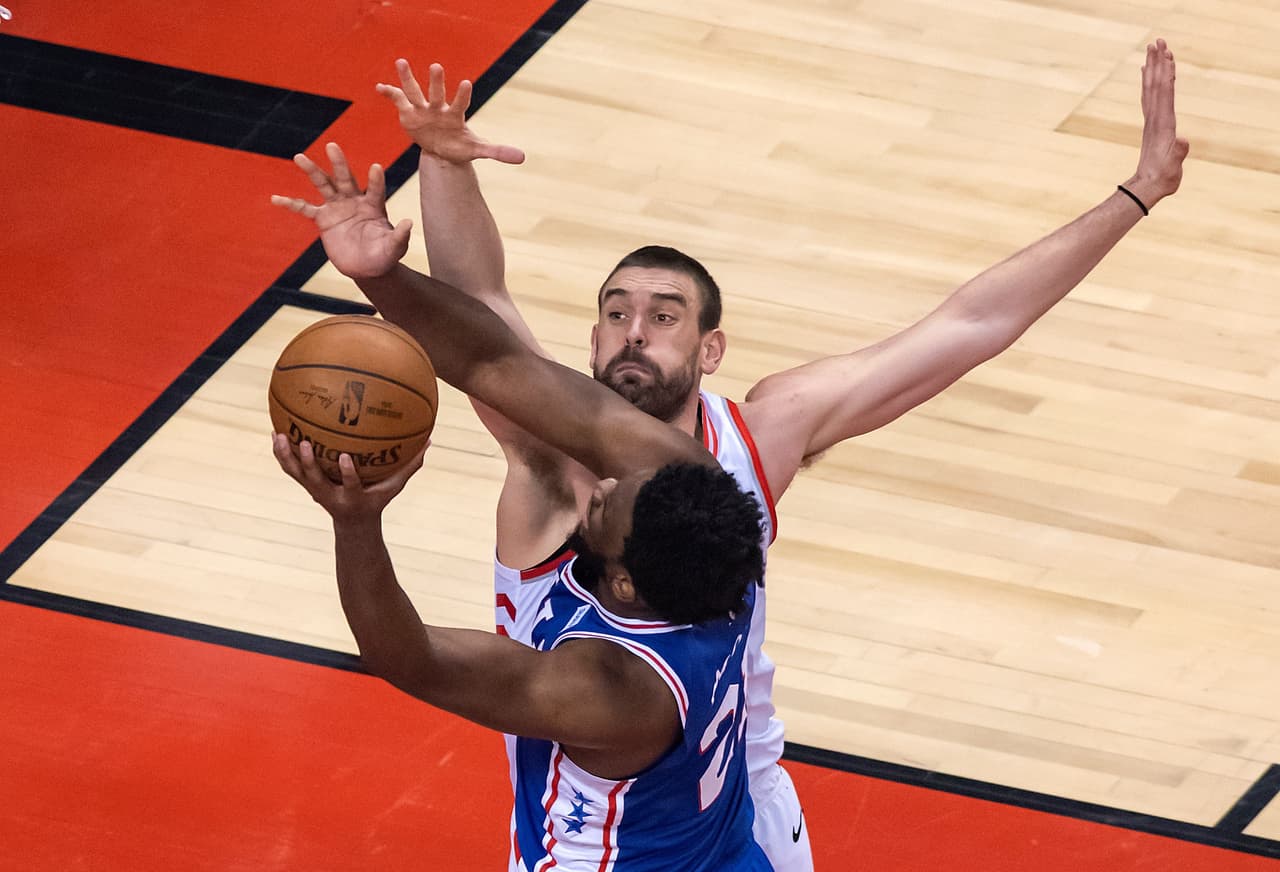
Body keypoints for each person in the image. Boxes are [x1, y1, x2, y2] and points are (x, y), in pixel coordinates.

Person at [373, 40, 1189, 870]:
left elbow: (969, 325)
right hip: (628, 793)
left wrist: (1136, 194)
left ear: (712, 348)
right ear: (591, 338)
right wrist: (444, 163)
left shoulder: (759, 437)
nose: (634, 333)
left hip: (736, 800)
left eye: (664, 316)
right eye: (616, 313)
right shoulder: (552, 458)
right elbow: (476, 307)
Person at [271, 146, 774, 871]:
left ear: (623, 582)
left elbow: (411, 658)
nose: (606, 484)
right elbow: (497, 364)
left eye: (610, 507)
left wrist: (357, 524)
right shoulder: (699, 504)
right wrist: (380, 278)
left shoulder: (606, 688)